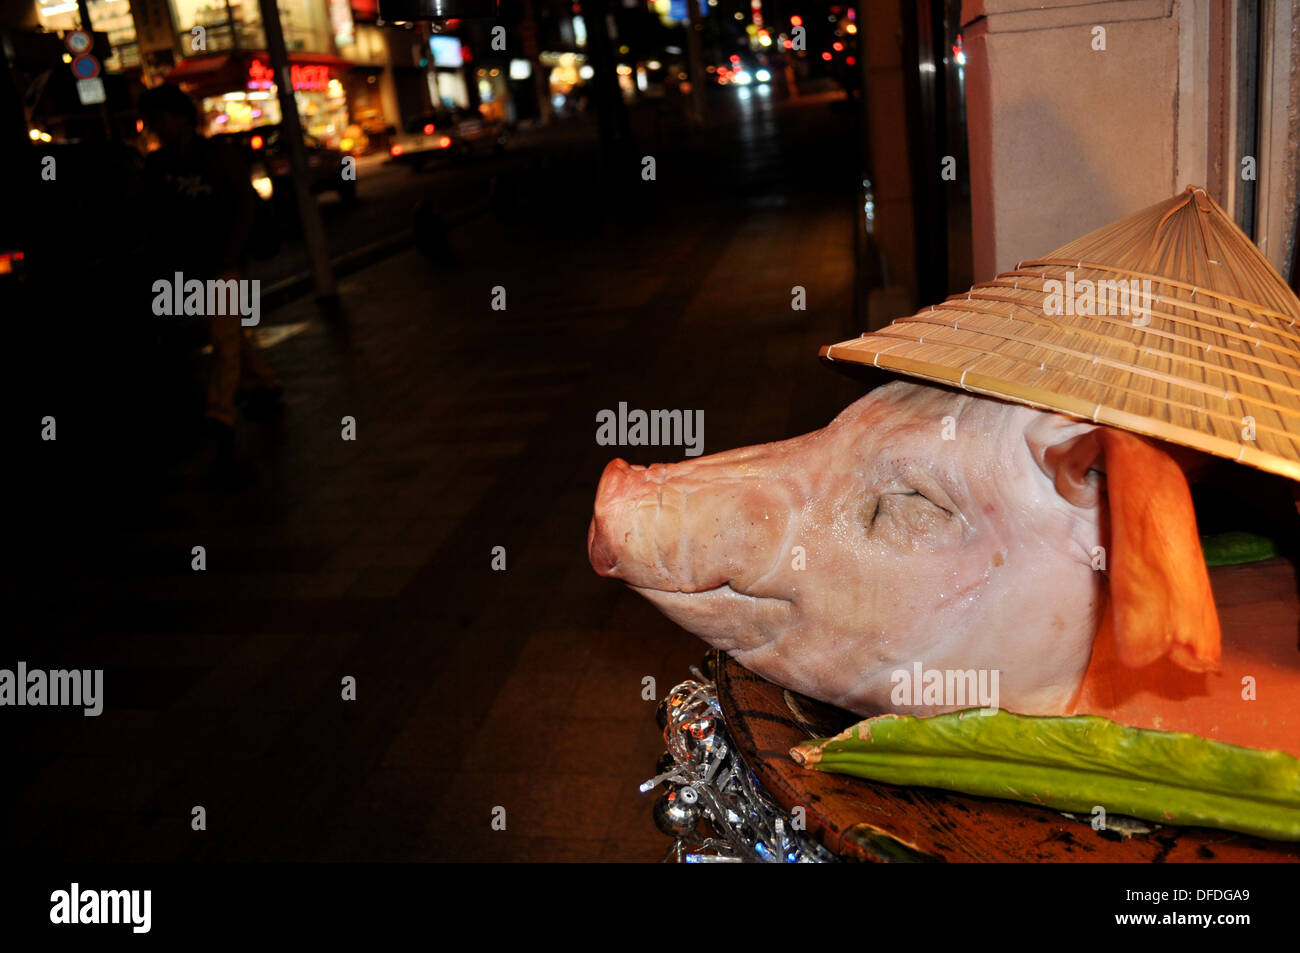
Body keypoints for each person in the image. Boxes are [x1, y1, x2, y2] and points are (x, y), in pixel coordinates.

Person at [137, 84, 282, 465]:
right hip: (190, 266)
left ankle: (220, 414)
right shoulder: (157, 166)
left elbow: (243, 206)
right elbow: (153, 220)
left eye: (160, 118)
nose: (156, 127)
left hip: (225, 262)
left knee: (223, 338)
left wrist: (234, 252)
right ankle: (264, 384)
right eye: (151, 121)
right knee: (225, 332)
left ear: (182, 117)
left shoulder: (217, 155)